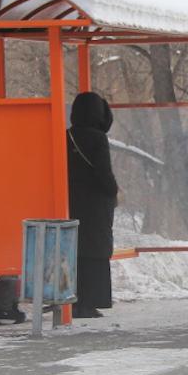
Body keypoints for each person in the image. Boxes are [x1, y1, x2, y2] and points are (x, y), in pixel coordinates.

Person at [67, 91, 118, 319]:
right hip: (95, 206)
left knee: (75, 251)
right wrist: (114, 190)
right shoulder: (98, 138)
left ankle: (74, 300)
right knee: (95, 252)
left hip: (70, 202)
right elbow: (103, 174)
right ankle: (89, 302)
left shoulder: (67, 135)